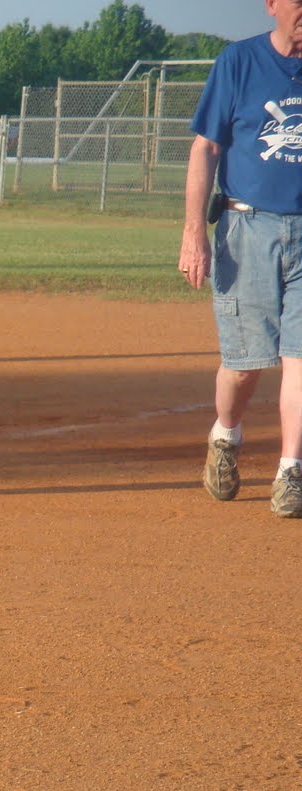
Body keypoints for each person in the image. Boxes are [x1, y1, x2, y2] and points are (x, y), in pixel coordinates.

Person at [179, 0, 302, 518]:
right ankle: (225, 436)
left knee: (300, 358)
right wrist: (194, 232)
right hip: (247, 227)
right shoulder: (239, 62)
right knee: (245, 366)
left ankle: (290, 471)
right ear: (272, 5)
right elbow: (206, 148)